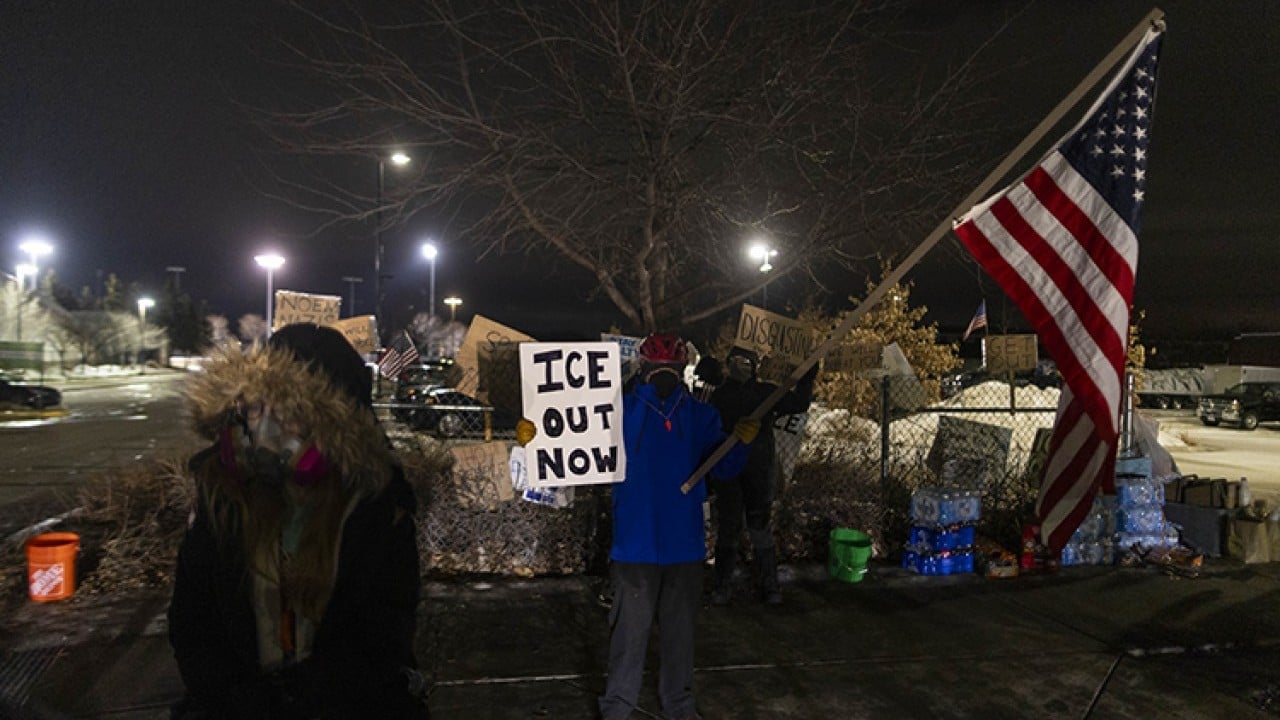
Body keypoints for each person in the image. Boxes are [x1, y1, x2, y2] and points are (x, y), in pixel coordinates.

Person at [169, 323, 428, 719]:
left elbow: (383, 633)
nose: (265, 429)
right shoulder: (220, 496)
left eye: (288, 413)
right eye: (255, 408)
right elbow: (193, 622)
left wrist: (306, 699)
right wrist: (237, 698)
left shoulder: (377, 506)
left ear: (336, 428)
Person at [518, 333, 758, 720]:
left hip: (684, 546)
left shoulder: (702, 416)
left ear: (683, 371)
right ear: (642, 370)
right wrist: (536, 438)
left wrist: (740, 443)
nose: (664, 376)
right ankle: (617, 707)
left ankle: (679, 706)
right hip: (634, 546)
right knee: (628, 635)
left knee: (680, 635)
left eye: (672, 369)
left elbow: (724, 469)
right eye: (657, 369)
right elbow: (573, 444)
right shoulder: (615, 412)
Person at [697, 347, 815, 605]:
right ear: (728, 364)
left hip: (759, 471)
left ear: (755, 366)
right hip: (728, 471)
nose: (741, 366)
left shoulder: (766, 393)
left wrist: (808, 372)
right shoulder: (719, 396)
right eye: (736, 361)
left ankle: (770, 585)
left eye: (746, 362)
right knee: (729, 527)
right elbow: (706, 431)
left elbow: (798, 403)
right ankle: (722, 586)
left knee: (759, 526)